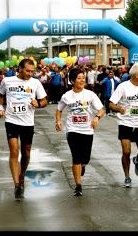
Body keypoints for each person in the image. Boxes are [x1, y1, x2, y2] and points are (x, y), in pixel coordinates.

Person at [0, 59, 47, 199]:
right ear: (20, 69)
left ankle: (22, 175)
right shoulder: (7, 81)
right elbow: (0, 95)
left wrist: (38, 104)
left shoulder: (35, 83)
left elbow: (44, 101)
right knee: (14, 150)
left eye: (32, 71)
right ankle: (17, 185)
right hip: (11, 120)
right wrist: (0, 107)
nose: (30, 73)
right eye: (28, 71)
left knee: (26, 154)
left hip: (28, 123)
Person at [55, 68, 105, 196]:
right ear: (72, 81)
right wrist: (58, 121)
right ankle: (78, 185)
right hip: (73, 130)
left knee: (85, 158)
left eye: (83, 78)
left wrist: (96, 117)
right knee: (76, 156)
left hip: (87, 130)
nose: (82, 80)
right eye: (79, 78)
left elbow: (101, 109)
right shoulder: (66, 96)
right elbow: (59, 109)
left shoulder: (90, 94)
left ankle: (83, 165)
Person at [109, 63, 138, 187]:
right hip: (125, 123)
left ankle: (137, 160)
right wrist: (118, 109)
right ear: (137, 75)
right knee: (126, 151)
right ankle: (127, 176)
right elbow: (111, 104)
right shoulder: (123, 87)